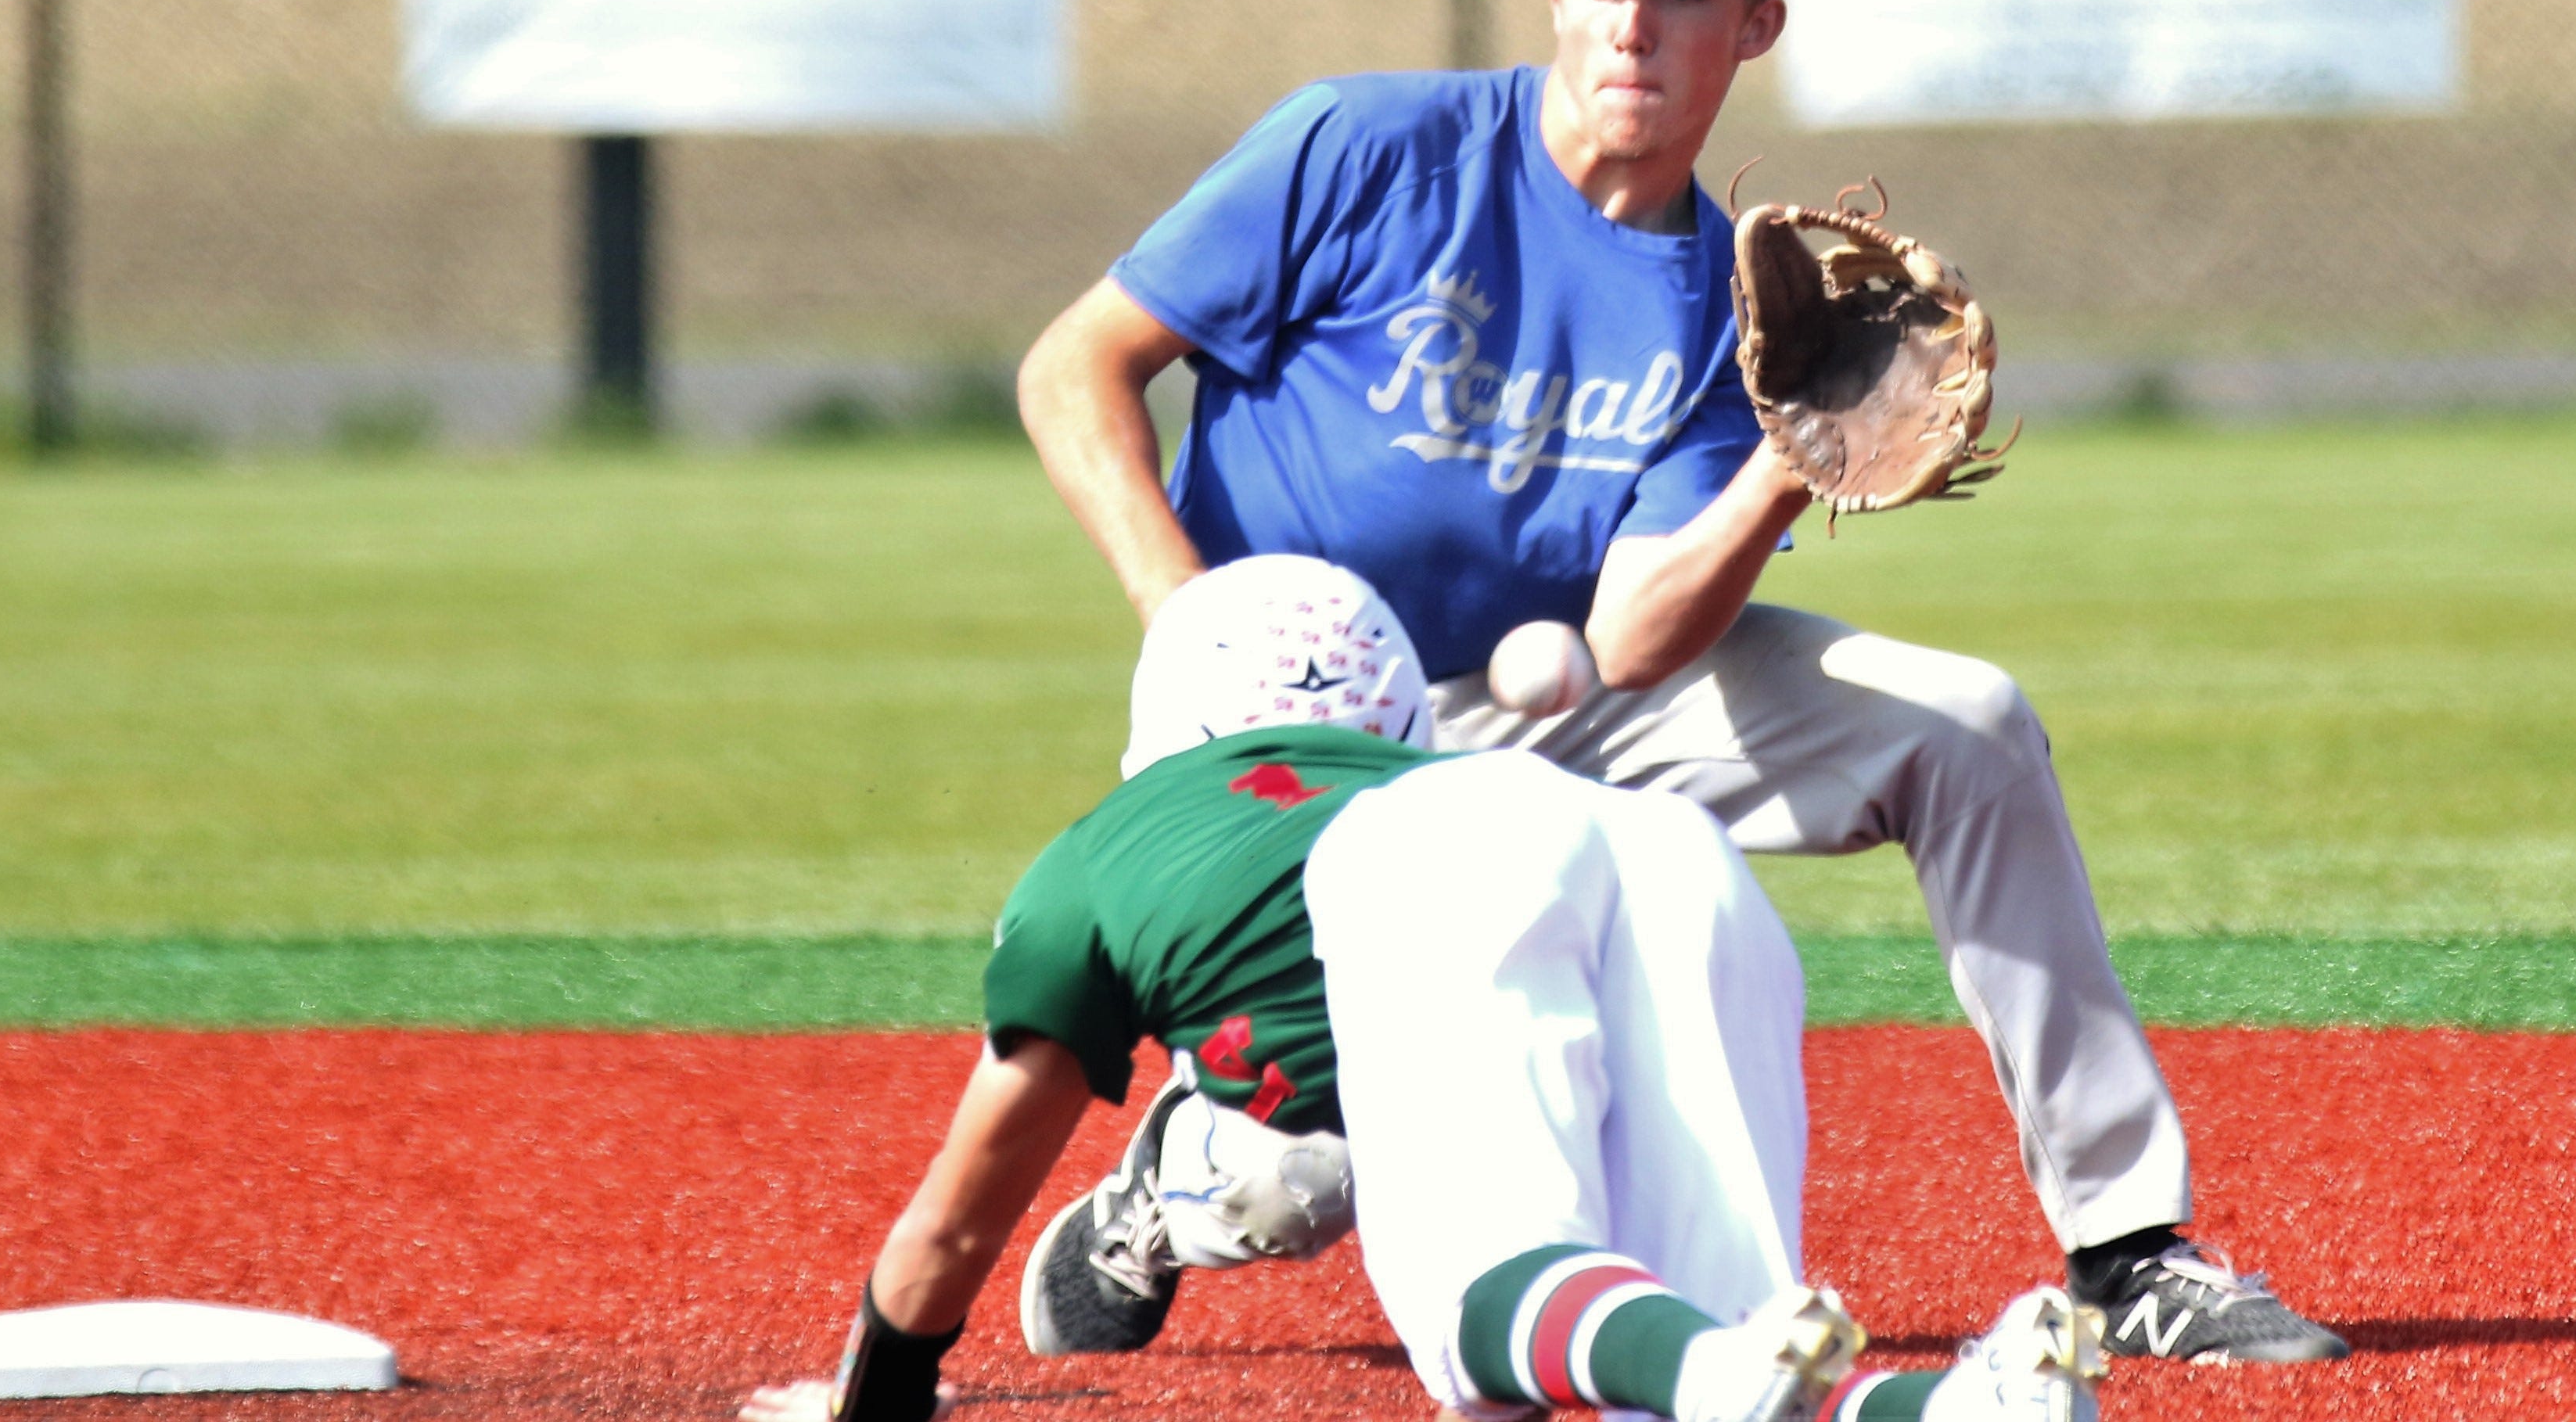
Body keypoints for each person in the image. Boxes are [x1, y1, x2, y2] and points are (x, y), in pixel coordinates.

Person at [1011, 0, 2344, 1366]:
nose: (1634, 19)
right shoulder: (1364, 151)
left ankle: (2130, 1243)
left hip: (1562, 705)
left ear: (1756, 24)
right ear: (1558, 1)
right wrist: (1202, 641)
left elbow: (1637, 638)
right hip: (1279, 732)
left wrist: (1789, 465)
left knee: (1965, 726)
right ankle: (1175, 1185)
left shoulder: (1730, 303)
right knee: (1303, 1180)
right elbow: (1073, 369)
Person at [738, 555, 2102, 1422]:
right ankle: (1964, 1406)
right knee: (1714, 1344)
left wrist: (873, 1397)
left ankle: (1721, 1371)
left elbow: (949, 1232)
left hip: (1441, 865)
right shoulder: (1430, 762)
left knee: (1480, 1306)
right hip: (1659, 837)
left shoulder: (1094, 861)